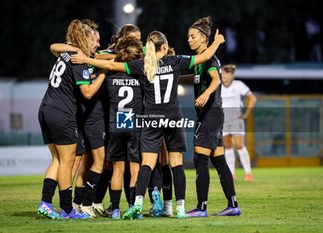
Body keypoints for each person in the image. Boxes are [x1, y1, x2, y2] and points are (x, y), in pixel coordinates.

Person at [70, 26, 225, 219]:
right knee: (175, 163)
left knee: (146, 164)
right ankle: (180, 208)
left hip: (150, 119)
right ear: (166, 46)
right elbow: (205, 56)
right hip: (173, 118)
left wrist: (86, 60)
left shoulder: (143, 65)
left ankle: (136, 204)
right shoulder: (176, 61)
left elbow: (112, 66)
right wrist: (217, 43)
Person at [37, 19, 105, 219]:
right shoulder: (79, 60)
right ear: (84, 39)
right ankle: (67, 209)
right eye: (94, 40)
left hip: (46, 108)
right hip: (62, 113)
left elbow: (53, 47)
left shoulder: (67, 54)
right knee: (68, 161)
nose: (97, 44)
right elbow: (88, 93)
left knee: (58, 160)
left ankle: (46, 203)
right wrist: (104, 72)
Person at [185, 17, 241, 218]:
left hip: (210, 114)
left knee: (200, 159)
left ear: (203, 38)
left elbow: (216, 80)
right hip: (214, 115)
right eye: (188, 37)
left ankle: (201, 208)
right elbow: (196, 78)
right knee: (219, 161)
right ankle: (233, 205)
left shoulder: (209, 58)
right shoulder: (200, 61)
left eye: (192, 36)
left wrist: (206, 93)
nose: (189, 40)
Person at [104, 37, 144, 219]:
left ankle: (115, 209)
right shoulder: (140, 74)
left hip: (116, 123)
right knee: (135, 169)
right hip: (134, 123)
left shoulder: (111, 75)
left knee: (117, 169)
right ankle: (132, 207)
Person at [221, 64, 257, 181]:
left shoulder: (238, 85)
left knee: (240, 145)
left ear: (231, 75)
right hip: (223, 119)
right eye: (223, 73)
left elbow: (252, 98)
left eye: (226, 73)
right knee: (227, 146)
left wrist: (246, 114)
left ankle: (248, 173)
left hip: (236, 119)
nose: (223, 75)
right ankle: (231, 174)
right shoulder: (218, 86)